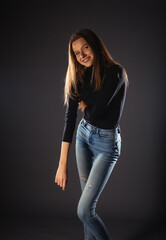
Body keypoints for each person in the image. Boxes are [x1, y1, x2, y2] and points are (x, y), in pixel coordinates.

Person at [55, 28, 128, 240]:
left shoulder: (115, 72)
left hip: (107, 144)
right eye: (77, 53)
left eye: (85, 47)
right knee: (88, 212)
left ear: (95, 45)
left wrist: (84, 105)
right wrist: (62, 164)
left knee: (84, 211)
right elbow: (70, 120)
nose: (82, 55)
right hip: (83, 138)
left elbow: (98, 113)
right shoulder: (77, 76)